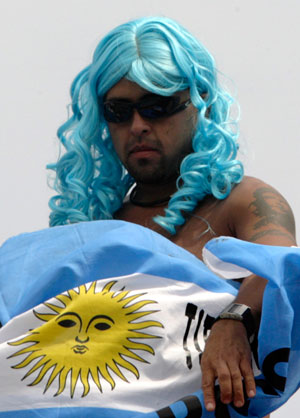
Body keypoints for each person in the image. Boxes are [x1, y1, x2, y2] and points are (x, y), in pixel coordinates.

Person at [48, 16, 296, 416]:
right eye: (119, 110)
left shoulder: (241, 201)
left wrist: (233, 321)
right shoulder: (89, 232)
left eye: (158, 106)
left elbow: (283, 266)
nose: (139, 126)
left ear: (202, 105)